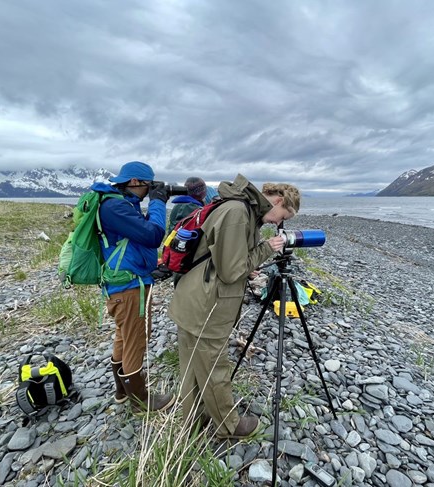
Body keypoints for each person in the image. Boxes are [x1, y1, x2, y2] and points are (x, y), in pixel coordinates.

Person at [168, 174, 300, 439]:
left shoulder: (240, 208)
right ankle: (228, 426)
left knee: (194, 367)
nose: (279, 223)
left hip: (194, 300)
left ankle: (193, 421)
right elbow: (230, 272)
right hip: (208, 305)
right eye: (283, 216)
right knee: (214, 368)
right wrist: (266, 249)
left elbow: (227, 259)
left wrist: (248, 263)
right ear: (277, 200)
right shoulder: (238, 212)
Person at [90, 161, 175, 412]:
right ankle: (140, 400)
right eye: (149, 185)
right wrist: (159, 202)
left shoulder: (119, 204)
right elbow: (154, 235)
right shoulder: (115, 206)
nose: (150, 190)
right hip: (129, 285)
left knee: (124, 336)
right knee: (136, 338)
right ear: (135, 182)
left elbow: (141, 233)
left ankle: (122, 391)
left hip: (123, 284)